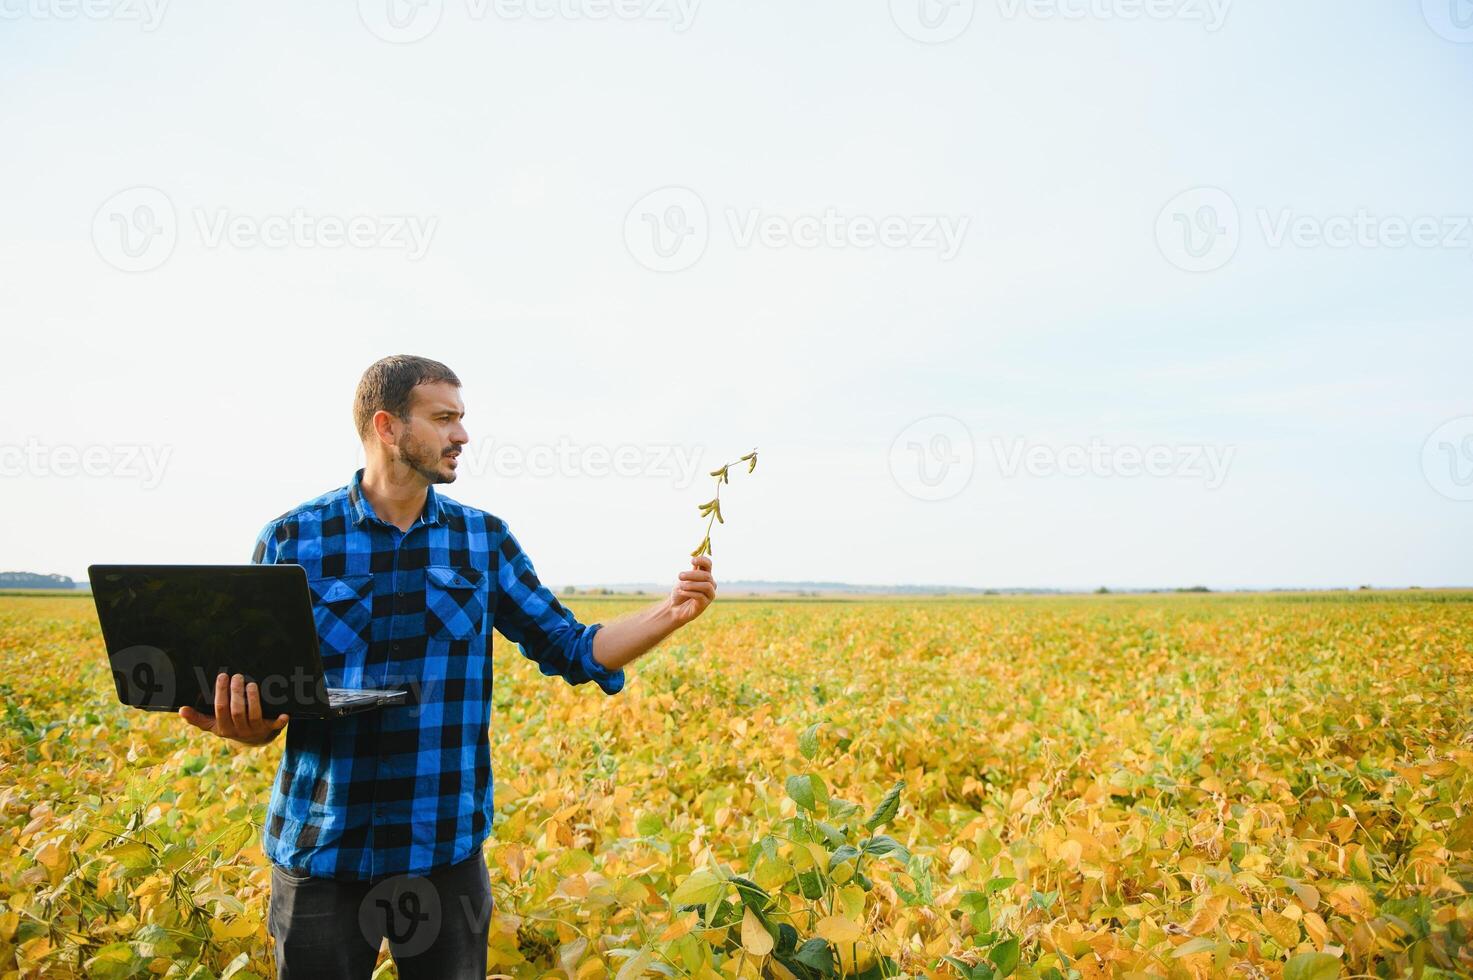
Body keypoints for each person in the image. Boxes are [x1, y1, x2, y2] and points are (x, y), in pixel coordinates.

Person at [179, 354, 717, 979]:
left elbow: (571, 647)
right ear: (387, 426)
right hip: (320, 850)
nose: (462, 435)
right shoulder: (293, 540)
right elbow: (268, 699)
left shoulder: (483, 541)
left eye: (461, 419)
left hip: (444, 850)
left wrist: (670, 614)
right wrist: (248, 725)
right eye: (444, 419)